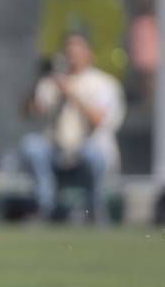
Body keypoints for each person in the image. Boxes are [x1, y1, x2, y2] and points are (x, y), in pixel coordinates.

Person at [19, 32, 126, 223]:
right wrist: (38, 80)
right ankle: (44, 207)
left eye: (76, 52)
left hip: (88, 151)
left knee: (93, 152)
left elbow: (99, 121)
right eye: (68, 52)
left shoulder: (103, 83)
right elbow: (29, 112)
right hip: (57, 152)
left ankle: (95, 210)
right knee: (31, 145)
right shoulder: (54, 81)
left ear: (88, 54)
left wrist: (71, 93)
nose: (71, 57)